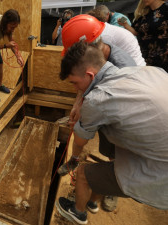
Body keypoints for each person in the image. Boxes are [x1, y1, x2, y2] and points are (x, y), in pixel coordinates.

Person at [56, 41, 168, 225]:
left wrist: (80, 124)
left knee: (84, 173)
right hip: (158, 147)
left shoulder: (98, 100)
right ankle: (92, 202)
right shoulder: (145, 70)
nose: (75, 89)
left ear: (90, 74)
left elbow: (80, 141)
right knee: (112, 158)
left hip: (159, 173)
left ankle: (78, 212)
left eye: (75, 83)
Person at [59, 14, 137, 212]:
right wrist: (79, 103)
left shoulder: (124, 70)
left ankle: (106, 191)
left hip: (132, 127)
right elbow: (88, 81)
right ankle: (93, 198)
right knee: (107, 151)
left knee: (112, 160)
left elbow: (83, 136)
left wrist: (83, 119)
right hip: (115, 110)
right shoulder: (98, 53)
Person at [120, 0, 168, 72]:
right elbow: (137, 32)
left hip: (163, 58)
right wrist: (125, 25)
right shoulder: (145, 13)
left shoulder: (166, 10)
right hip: (145, 58)